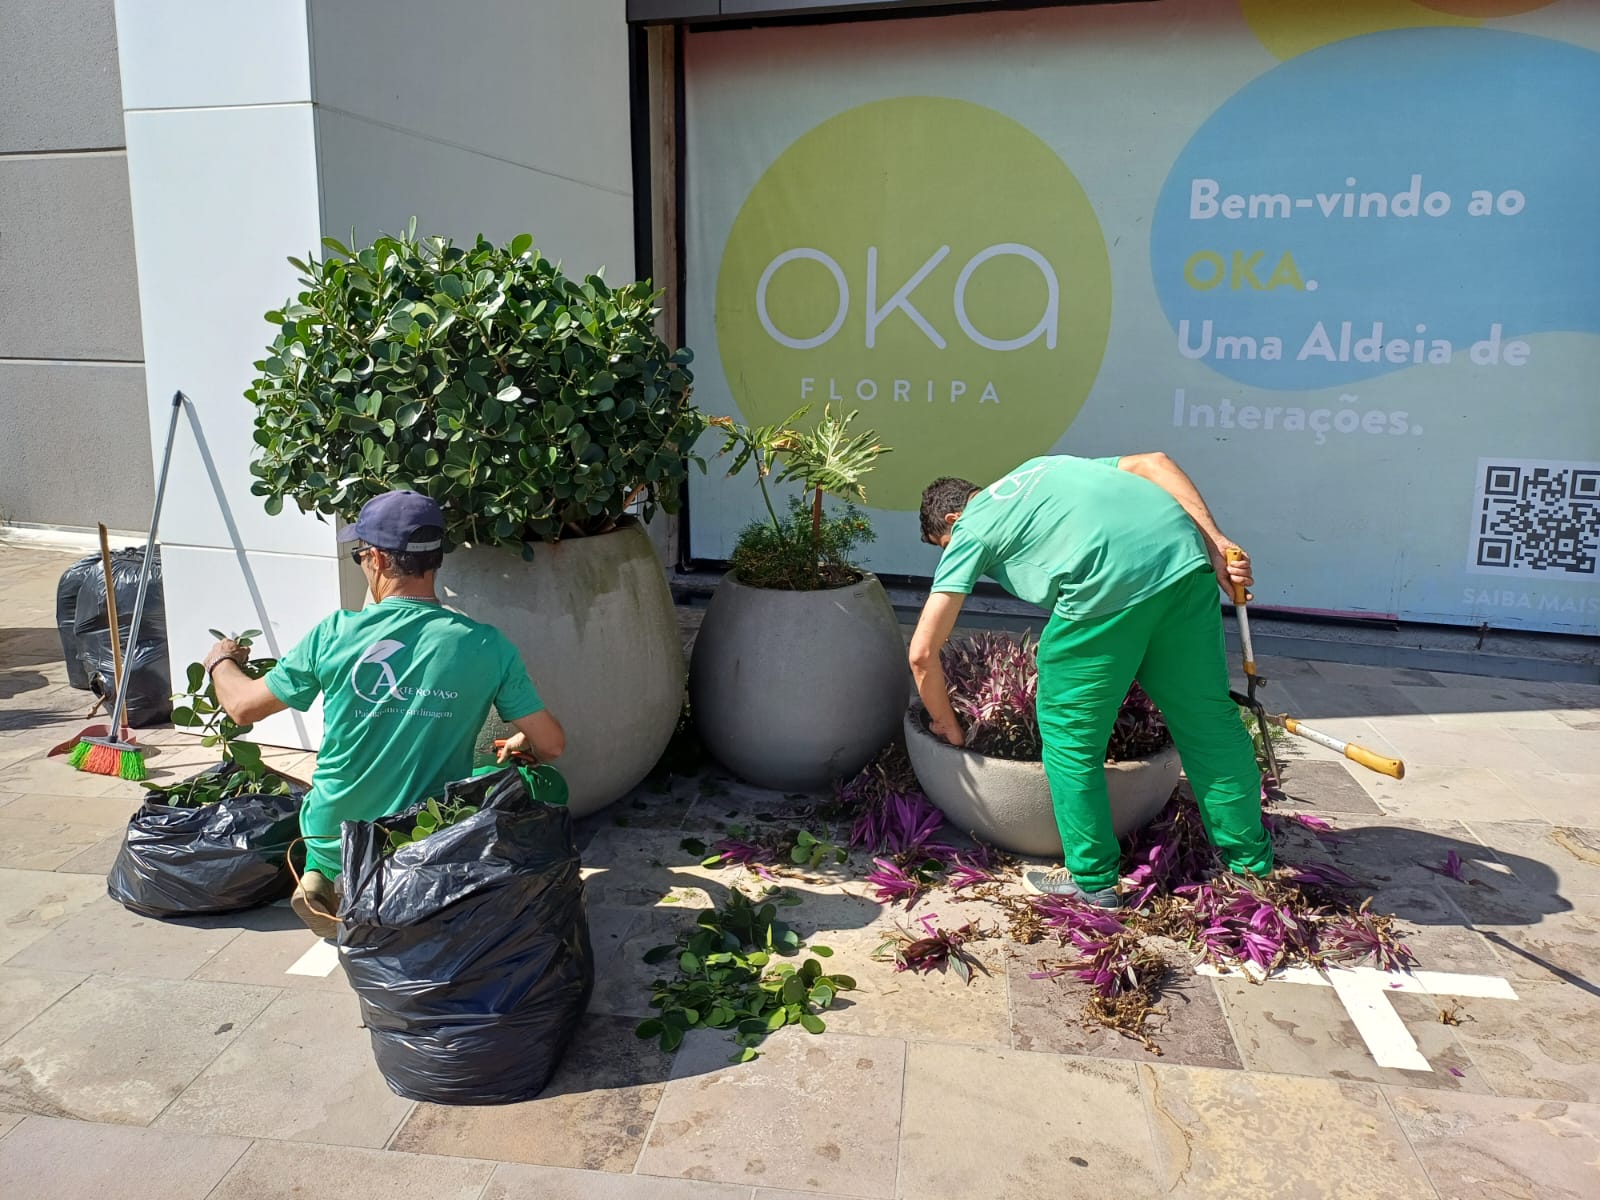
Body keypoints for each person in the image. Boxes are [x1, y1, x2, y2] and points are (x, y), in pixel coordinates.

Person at [909, 453, 1272, 908]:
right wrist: (1217, 544)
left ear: (952, 519)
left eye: (944, 545)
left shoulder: (971, 527)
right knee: (1208, 719)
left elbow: (922, 654)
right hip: (1183, 560)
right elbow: (1153, 463)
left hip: (1106, 586)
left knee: (1070, 735)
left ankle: (1093, 879)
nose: (953, 555)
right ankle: (1250, 868)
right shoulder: (1044, 467)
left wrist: (946, 723)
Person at [202, 490, 564, 937]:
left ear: (376, 558)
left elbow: (241, 707)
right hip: (420, 837)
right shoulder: (487, 644)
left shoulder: (334, 633)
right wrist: (525, 740)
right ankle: (400, 879)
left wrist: (220, 660)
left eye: (359, 555)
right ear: (436, 559)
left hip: (333, 833)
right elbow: (552, 745)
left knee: (330, 803)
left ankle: (321, 872)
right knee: (497, 770)